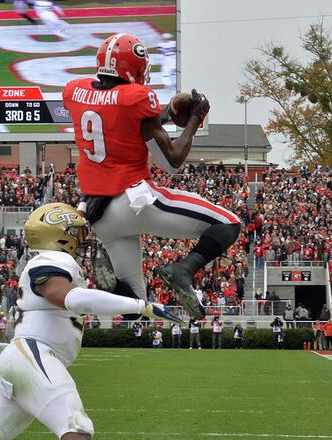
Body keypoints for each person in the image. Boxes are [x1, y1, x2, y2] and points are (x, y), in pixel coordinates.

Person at [0, 203, 181, 440]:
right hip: (32, 354)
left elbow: (69, 228)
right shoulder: (53, 259)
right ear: (60, 236)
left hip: (21, 359)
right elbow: (71, 297)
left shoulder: (48, 258)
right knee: (76, 429)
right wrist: (142, 306)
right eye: (75, 233)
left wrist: (83, 203)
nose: (82, 240)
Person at [63, 33, 239, 321]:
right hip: (134, 199)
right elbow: (172, 162)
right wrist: (194, 118)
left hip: (101, 213)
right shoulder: (136, 97)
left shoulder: (75, 91)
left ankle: (109, 287)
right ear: (136, 67)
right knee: (229, 223)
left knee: (133, 307)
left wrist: (167, 114)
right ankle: (184, 269)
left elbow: (118, 118)